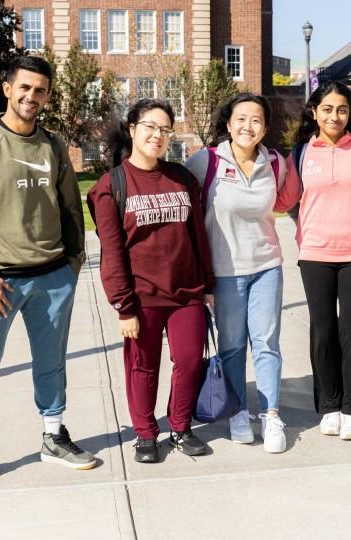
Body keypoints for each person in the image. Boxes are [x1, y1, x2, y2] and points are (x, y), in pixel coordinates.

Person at [0, 56, 94, 496]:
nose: (31, 97)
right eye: (24, 88)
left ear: (47, 96)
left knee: (52, 364)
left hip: (52, 278)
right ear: (7, 89)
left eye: (40, 90)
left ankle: (53, 435)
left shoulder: (52, 146)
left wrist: (72, 265)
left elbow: (69, 209)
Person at [87, 99, 216, 464]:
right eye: (149, 126)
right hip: (140, 298)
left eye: (164, 129)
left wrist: (207, 285)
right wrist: (123, 305)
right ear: (132, 129)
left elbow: (198, 237)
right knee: (143, 367)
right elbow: (112, 252)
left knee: (190, 360)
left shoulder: (182, 178)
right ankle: (145, 434)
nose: (157, 135)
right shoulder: (111, 185)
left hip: (186, 292)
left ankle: (180, 426)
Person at [278, 81, 351, 442]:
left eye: (342, 109)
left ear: (350, 114)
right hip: (315, 254)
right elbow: (283, 202)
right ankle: (329, 406)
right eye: (327, 109)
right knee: (323, 331)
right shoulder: (300, 153)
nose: (334, 115)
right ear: (314, 111)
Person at [185, 93, 289, 454]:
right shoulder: (206, 161)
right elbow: (185, 214)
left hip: (266, 267)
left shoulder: (275, 163)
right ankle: (238, 412)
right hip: (224, 273)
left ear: (265, 127)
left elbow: (291, 202)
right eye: (241, 119)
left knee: (267, 343)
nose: (248, 126)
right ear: (228, 124)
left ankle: (271, 413)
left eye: (256, 120)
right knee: (231, 346)